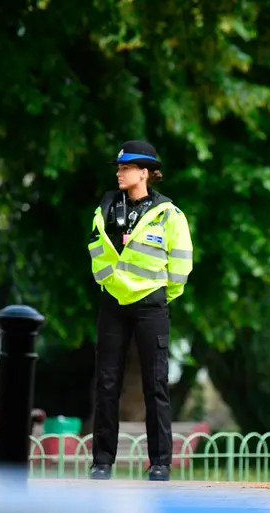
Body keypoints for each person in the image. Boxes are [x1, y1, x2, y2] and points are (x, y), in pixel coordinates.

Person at [87, 140, 194, 482]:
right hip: (113, 303)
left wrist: (162, 295)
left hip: (151, 305)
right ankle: (101, 462)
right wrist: (112, 285)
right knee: (106, 383)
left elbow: (180, 265)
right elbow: (96, 250)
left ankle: (161, 463)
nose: (119, 173)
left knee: (156, 385)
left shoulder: (169, 215)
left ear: (144, 173)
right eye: (119, 168)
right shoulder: (105, 208)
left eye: (126, 168)